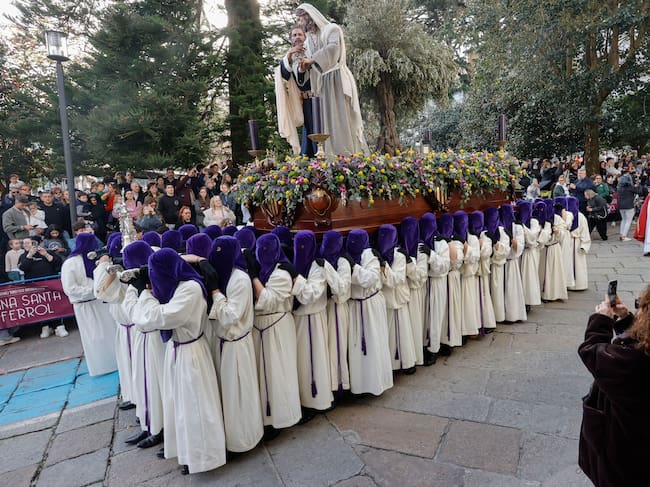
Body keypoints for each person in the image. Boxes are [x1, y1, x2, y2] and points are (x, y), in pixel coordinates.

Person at [127, 249, 226, 474]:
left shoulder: (189, 289)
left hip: (191, 353)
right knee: (180, 407)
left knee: (196, 407)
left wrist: (144, 294)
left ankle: (205, 457)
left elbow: (162, 317)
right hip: (178, 350)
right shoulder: (178, 286)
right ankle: (189, 452)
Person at [578, 286, 650, 486]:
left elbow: (592, 352)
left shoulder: (634, 363)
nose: (639, 311)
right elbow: (643, 340)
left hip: (625, 457)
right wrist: (627, 319)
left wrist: (601, 320)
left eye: (641, 306)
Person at [206, 236, 264, 454]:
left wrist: (215, 293)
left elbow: (231, 316)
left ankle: (245, 438)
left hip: (237, 344)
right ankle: (230, 437)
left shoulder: (239, 278)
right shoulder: (223, 274)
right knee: (228, 395)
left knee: (240, 393)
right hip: (223, 344)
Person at [245, 234, 302, 436]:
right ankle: (266, 417)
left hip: (277, 326)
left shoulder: (281, 273)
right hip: (260, 328)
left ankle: (283, 416)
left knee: (279, 372)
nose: (263, 254)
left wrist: (253, 277)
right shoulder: (262, 270)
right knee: (263, 374)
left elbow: (268, 300)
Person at [295, 4, 369, 156]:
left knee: (341, 120)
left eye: (301, 19)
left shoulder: (332, 29)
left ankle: (348, 155)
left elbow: (333, 50)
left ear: (309, 16)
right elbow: (307, 66)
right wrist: (303, 67)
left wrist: (312, 60)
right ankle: (331, 157)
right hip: (322, 84)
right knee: (327, 123)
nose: (299, 23)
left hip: (336, 80)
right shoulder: (308, 41)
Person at [61, 233, 117, 375]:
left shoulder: (95, 259)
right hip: (85, 305)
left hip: (100, 302)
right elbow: (70, 288)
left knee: (109, 333)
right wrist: (92, 290)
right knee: (94, 337)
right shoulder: (70, 263)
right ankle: (100, 366)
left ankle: (115, 362)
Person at [345, 229, 393, 395]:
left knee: (373, 344)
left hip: (370, 305)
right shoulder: (347, 254)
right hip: (355, 306)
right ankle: (360, 386)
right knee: (357, 347)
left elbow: (369, 279)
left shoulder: (369, 255)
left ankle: (375, 384)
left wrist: (353, 267)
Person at [291, 230, 333, 413]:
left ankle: (318, 400)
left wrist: (296, 278)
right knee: (302, 362)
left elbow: (311, 294)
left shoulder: (318, 266)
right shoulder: (293, 262)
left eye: (304, 247)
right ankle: (304, 399)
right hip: (299, 320)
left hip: (313, 318)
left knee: (315, 360)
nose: (300, 250)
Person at [376, 224, 417, 373]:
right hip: (386, 301)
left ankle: (406, 363)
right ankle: (391, 366)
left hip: (398, 298)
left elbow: (396, 279)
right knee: (388, 335)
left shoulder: (398, 255)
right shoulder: (377, 254)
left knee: (403, 333)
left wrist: (384, 266)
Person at [318, 230, 353, 393]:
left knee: (338, 345)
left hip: (337, 308)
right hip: (325, 309)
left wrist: (327, 268)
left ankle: (340, 385)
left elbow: (341, 288)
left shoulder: (343, 262)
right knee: (327, 348)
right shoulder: (320, 258)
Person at [276, 24, 317, 157]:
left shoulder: (312, 51)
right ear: (291, 39)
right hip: (304, 102)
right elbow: (284, 75)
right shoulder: (289, 57)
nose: (297, 37)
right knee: (309, 131)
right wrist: (289, 55)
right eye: (294, 35)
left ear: (305, 37)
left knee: (318, 131)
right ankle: (310, 161)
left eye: (300, 34)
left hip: (318, 99)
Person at [566, 196, 591, 291]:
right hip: (569, 241)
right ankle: (569, 283)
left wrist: (584, 245)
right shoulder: (567, 216)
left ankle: (579, 284)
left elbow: (585, 233)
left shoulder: (580, 217)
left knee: (578, 265)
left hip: (576, 242)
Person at [617, 172, 644, 241]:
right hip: (629, 206)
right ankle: (624, 236)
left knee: (623, 220)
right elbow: (639, 192)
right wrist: (638, 185)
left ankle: (621, 234)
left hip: (620, 206)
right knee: (628, 221)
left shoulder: (619, 188)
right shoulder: (630, 187)